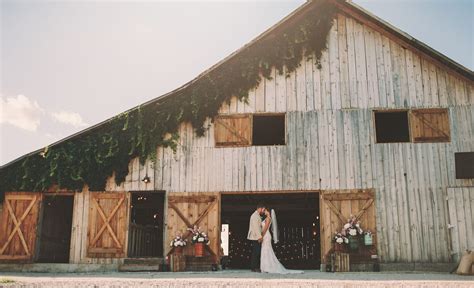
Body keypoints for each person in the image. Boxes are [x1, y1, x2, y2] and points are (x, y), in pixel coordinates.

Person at [260, 208, 303, 274]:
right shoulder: (266, 218)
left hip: (266, 235)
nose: (264, 211)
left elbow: (265, 229)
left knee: (266, 250)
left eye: (265, 210)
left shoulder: (268, 219)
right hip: (265, 235)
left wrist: (261, 236)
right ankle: (266, 267)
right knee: (265, 250)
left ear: (268, 211)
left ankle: (268, 267)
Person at [247, 203, 266, 272]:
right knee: (256, 252)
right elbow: (256, 228)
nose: (263, 211)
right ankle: (254, 267)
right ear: (259, 208)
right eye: (263, 209)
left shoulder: (257, 215)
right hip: (255, 237)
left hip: (256, 236)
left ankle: (255, 267)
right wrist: (259, 237)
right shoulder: (254, 216)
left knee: (256, 252)